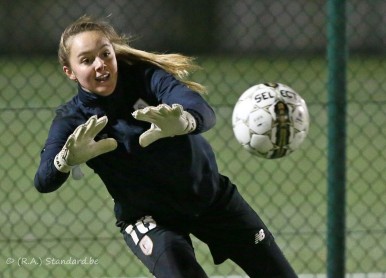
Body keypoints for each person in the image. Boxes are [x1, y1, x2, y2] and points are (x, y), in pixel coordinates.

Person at [34, 15, 297, 278]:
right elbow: (43, 181)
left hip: (210, 197)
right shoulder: (72, 119)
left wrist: (184, 121)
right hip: (150, 220)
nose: (100, 64)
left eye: (105, 54)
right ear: (70, 72)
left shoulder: (146, 78)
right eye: (87, 60)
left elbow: (203, 110)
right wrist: (65, 160)